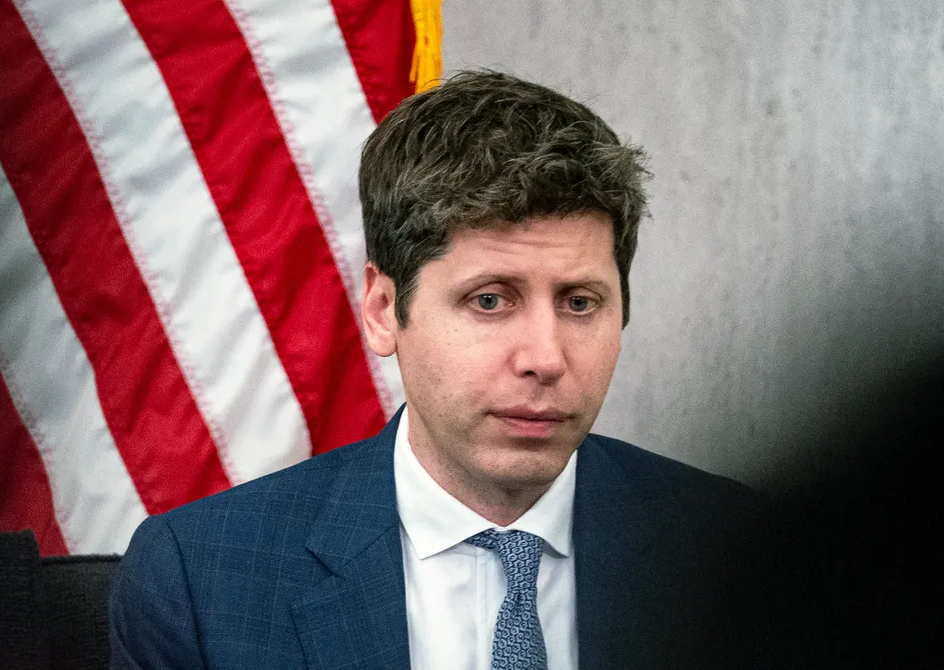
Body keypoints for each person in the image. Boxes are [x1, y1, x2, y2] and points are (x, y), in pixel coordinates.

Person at [110, 70, 764, 669]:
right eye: (490, 300)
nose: (545, 359)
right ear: (383, 311)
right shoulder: (203, 581)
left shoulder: (749, 558)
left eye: (579, 303)